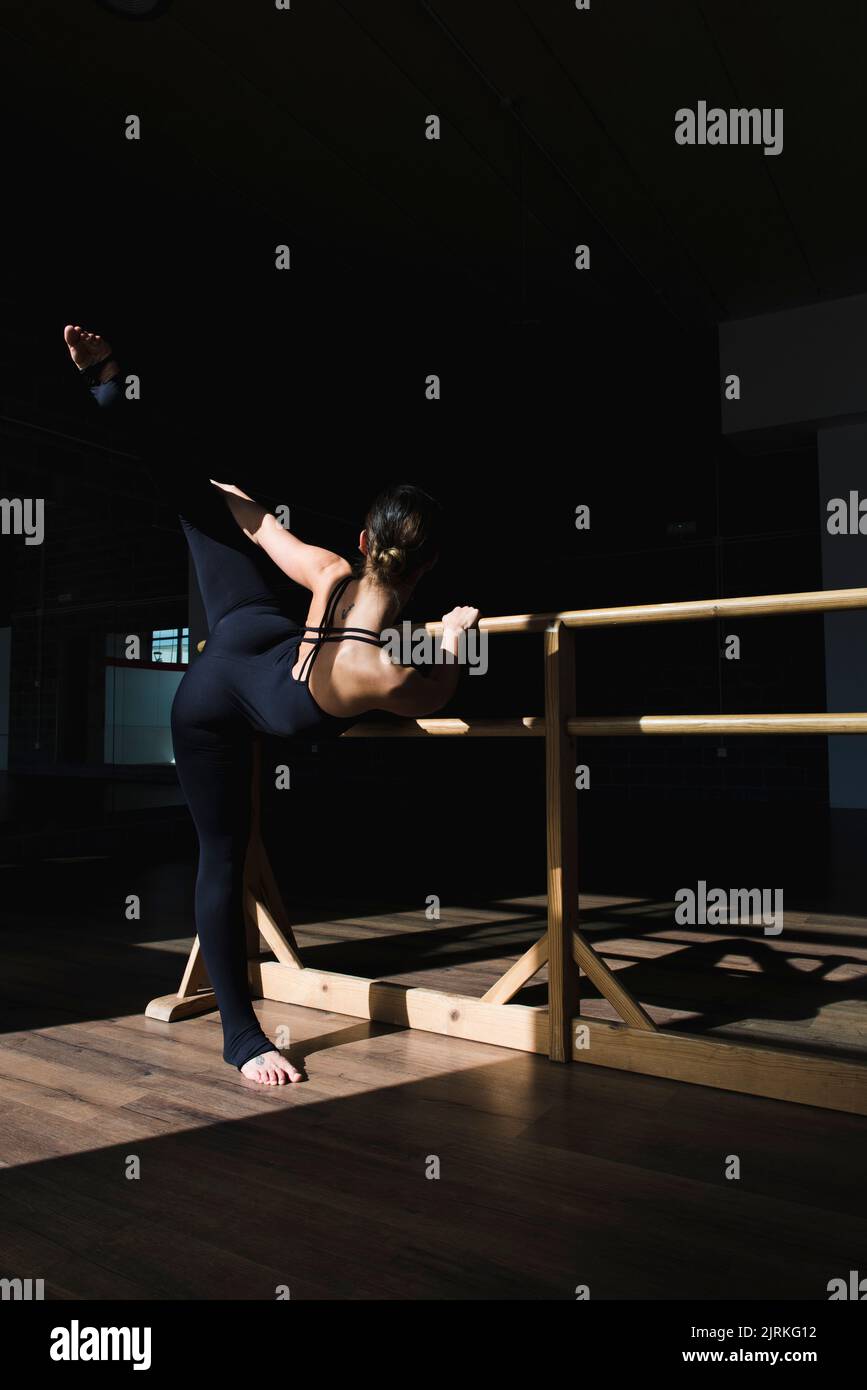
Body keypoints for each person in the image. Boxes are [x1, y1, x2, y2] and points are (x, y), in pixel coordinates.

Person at [64, 324, 479, 1085]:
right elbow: (442, 689)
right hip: (222, 694)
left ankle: (109, 385)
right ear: (432, 565)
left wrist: (316, 592)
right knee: (221, 852)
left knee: (211, 501)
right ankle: (241, 1037)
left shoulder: (328, 565)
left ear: (361, 539)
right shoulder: (379, 672)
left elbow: (266, 532)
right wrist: (451, 638)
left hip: (239, 642)